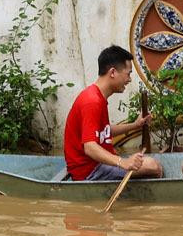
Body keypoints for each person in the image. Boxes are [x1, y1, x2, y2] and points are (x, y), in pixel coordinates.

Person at [63, 46, 159, 182]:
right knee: (153, 166)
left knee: (150, 164)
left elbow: (104, 131)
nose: (129, 79)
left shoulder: (98, 97)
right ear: (113, 72)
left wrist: (136, 125)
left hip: (98, 165)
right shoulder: (92, 101)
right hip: (89, 172)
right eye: (128, 74)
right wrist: (122, 162)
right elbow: (90, 147)